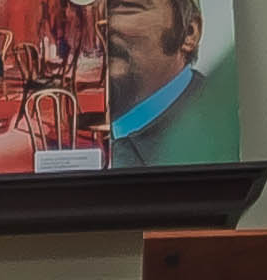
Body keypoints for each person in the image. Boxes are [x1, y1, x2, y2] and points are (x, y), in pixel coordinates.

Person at [102, 0, 240, 168]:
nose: (99, 25)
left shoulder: (221, 130)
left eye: (127, 9)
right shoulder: (72, 132)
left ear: (189, 33)